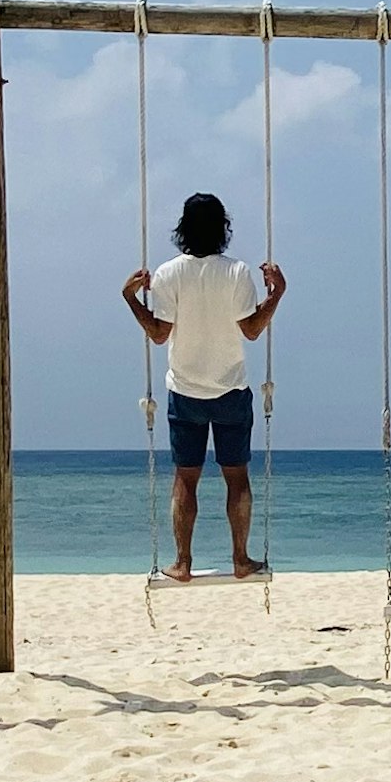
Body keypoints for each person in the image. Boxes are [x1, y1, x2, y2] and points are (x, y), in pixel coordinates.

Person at [120, 191, 287, 580]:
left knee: (185, 478)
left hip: (185, 390)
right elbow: (251, 329)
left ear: (183, 229)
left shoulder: (168, 273)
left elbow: (159, 335)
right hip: (230, 389)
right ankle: (241, 559)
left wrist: (130, 298)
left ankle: (182, 562)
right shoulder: (237, 271)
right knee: (237, 478)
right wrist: (276, 294)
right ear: (222, 228)